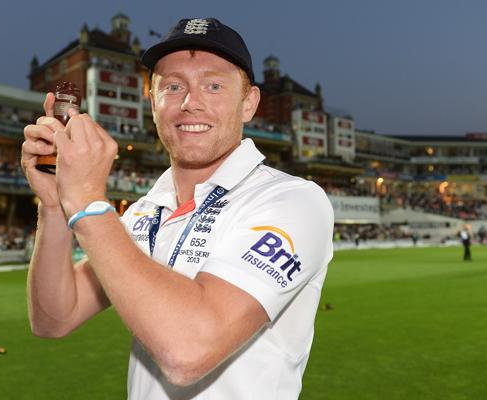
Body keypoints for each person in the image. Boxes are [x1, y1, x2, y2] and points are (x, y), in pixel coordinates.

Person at [22, 18, 334, 399]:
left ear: (249, 102)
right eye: (173, 87)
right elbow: (54, 318)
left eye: (214, 85)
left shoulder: (293, 200)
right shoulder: (144, 213)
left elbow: (188, 351)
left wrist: (87, 201)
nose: (191, 103)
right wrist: (55, 206)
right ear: (152, 102)